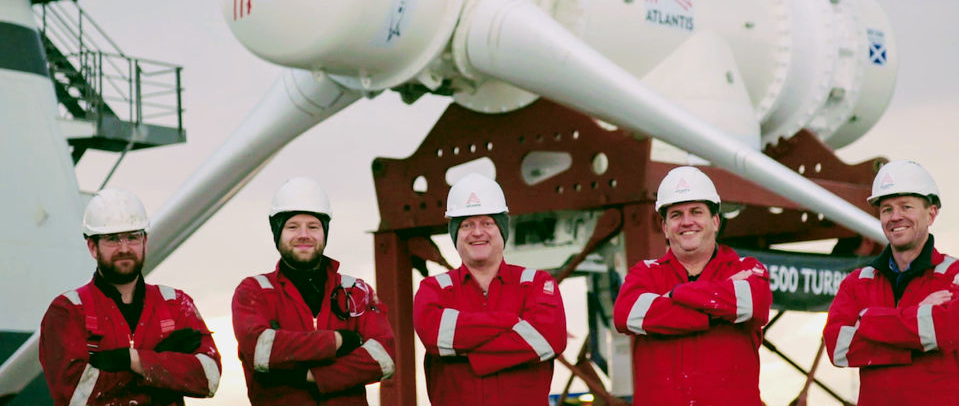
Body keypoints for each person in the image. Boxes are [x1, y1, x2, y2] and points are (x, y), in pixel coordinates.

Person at [39, 188, 222, 406]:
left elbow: (208, 378)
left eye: (133, 237)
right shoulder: (67, 311)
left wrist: (132, 360)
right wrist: (165, 367)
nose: (124, 248)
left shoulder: (176, 303)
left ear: (145, 241)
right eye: (112, 239)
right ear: (92, 247)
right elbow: (77, 394)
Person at [824, 160, 959, 405]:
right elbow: (838, 348)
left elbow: (942, 332)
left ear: (931, 213)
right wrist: (916, 320)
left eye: (906, 206)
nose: (895, 217)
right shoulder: (857, 282)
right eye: (886, 209)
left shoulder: (958, 277)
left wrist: (867, 319)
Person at [612, 166, 771, 406]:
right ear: (665, 228)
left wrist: (677, 294)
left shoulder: (746, 268)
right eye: (676, 215)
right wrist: (716, 312)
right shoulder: (645, 273)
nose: (687, 222)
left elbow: (752, 305)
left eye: (696, 212)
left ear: (715, 221)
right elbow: (625, 315)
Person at [232, 177, 395, 406]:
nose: (304, 235)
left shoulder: (356, 291)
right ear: (277, 232)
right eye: (292, 226)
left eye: (313, 226)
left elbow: (383, 357)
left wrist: (308, 375)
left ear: (324, 231)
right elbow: (260, 350)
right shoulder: (254, 291)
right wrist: (337, 341)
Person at [413, 173, 567, 405]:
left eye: (487, 223)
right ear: (455, 233)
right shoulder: (434, 289)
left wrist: (468, 351)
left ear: (502, 229)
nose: (477, 232)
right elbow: (435, 336)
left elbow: (549, 338)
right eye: (466, 224)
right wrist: (510, 322)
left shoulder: (536, 283)